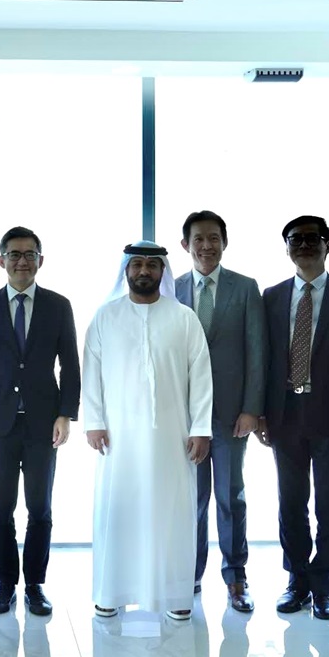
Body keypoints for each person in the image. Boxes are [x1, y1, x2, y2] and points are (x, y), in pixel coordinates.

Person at [84, 241, 212, 621]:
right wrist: (94, 422)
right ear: (125, 270)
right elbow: (91, 375)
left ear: (163, 272)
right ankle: (113, 592)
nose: (144, 271)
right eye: (137, 264)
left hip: (173, 437)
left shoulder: (184, 317)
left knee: (172, 513)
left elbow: (201, 378)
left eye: (152, 266)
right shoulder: (105, 317)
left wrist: (201, 428)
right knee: (119, 511)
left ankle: (175, 595)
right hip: (118, 439)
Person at [0, 226, 79, 617]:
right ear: (1, 261)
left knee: (40, 509)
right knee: (0, 509)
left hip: (44, 423)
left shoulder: (58, 305)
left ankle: (34, 585)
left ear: (40, 261)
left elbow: (71, 365)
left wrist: (66, 413)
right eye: (14, 254)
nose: (22, 261)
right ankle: (4, 585)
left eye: (30, 254)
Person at [258, 217, 329, 620]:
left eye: (311, 238)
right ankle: (297, 580)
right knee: (291, 502)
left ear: (328, 245)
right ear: (286, 248)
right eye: (294, 240)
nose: (303, 245)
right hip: (284, 414)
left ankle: (325, 586)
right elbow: (264, 359)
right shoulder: (271, 296)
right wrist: (263, 412)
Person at [174, 210, 265, 611]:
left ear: (224, 243)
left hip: (231, 414)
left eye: (214, 238)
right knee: (191, 498)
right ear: (186, 245)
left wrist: (251, 409)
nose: (206, 246)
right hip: (183, 417)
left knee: (231, 496)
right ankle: (188, 574)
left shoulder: (245, 288)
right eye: (199, 239)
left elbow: (257, 354)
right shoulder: (171, 290)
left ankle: (236, 578)